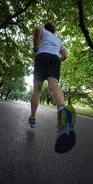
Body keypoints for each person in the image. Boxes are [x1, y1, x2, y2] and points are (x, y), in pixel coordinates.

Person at [28, 23, 76, 153]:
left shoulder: (43, 31)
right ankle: (62, 111)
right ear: (54, 30)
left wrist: (35, 47)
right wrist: (56, 61)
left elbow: (37, 29)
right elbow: (65, 55)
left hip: (41, 56)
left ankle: (32, 118)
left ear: (46, 27)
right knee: (54, 86)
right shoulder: (58, 40)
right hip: (55, 59)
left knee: (37, 90)